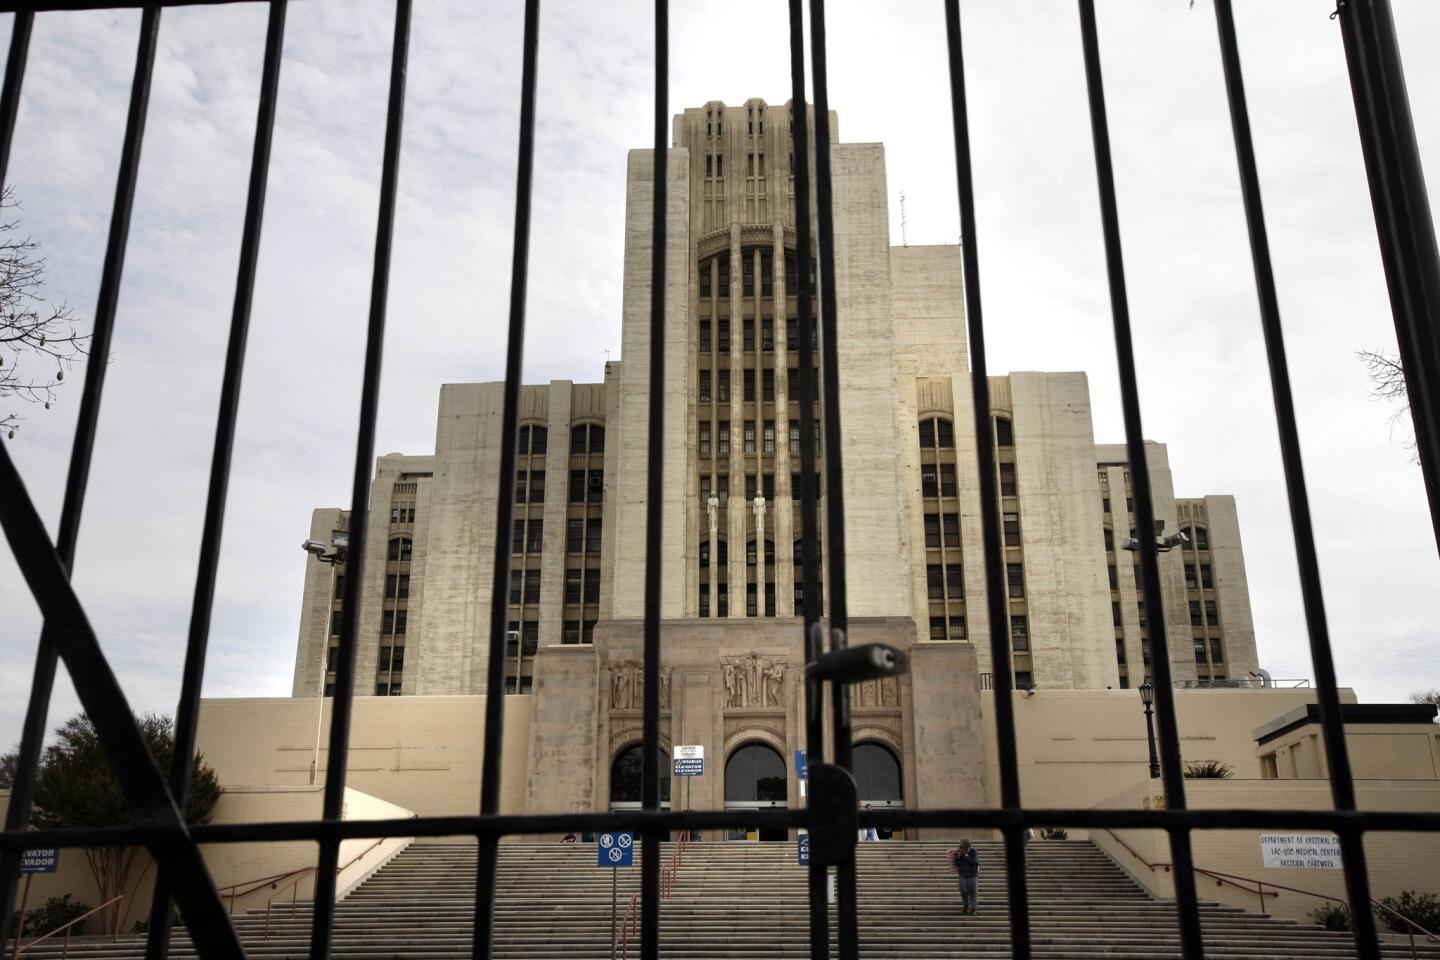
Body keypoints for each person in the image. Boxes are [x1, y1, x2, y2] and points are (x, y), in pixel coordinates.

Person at [950, 838, 979, 915]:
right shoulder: (958, 852)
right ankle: (966, 905)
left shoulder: (973, 852)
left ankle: (973, 908)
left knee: (973, 891)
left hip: (972, 875)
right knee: (963, 890)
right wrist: (959, 857)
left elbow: (974, 862)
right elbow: (956, 863)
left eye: (967, 849)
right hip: (962, 875)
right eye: (964, 849)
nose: (965, 850)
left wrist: (966, 855)